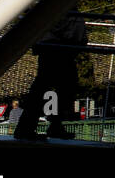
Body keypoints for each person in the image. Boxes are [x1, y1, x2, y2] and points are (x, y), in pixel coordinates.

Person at [14, 9, 86, 141]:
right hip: (61, 50)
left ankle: (30, 127)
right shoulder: (69, 11)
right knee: (62, 88)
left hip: (51, 49)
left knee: (44, 88)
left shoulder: (55, 11)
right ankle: (46, 126)